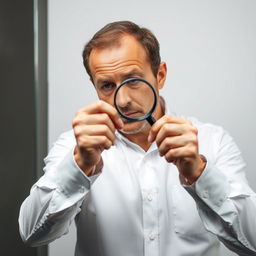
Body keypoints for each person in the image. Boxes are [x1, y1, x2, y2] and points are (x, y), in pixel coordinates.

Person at [19, 21, 256, 256]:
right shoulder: (75, 146)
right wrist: (80, 164)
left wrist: (199, 173)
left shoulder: (213, 140)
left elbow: (252, 244)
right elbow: (31, 235)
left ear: (160, 75)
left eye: (133, 80)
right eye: (107, 86)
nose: (122, 101)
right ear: (95, 87)